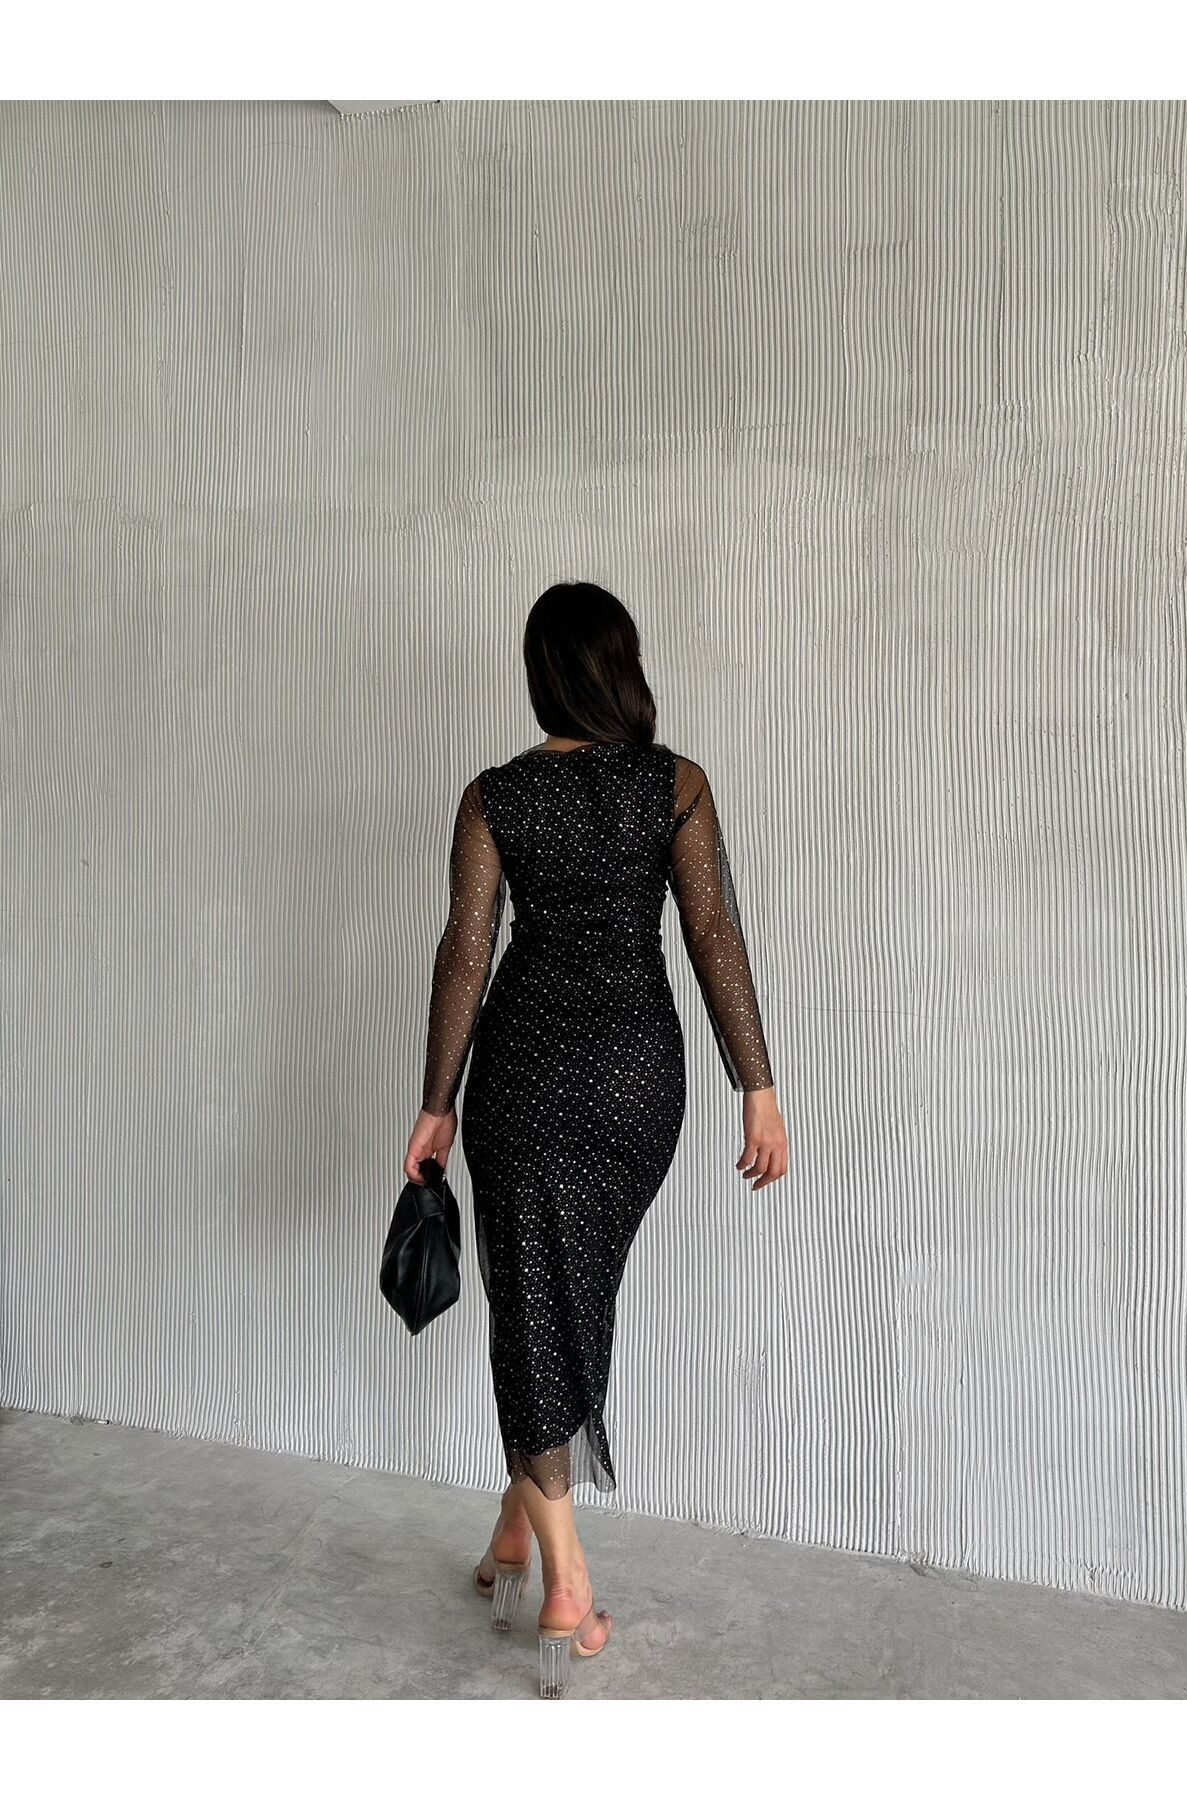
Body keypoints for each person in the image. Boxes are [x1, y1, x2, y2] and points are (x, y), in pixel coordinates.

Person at [404, 581, 788, 1697]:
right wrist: (757, 1086)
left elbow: (466, 951)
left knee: (538, 1303)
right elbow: (713, 932)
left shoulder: (495, 798)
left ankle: (567, 1585)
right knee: (564, 1299)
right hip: (637, 1080)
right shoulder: (676, 784)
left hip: (523, 1076)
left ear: (541, 674)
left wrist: (437, 1102)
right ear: (623, 667)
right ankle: (517, 1531)